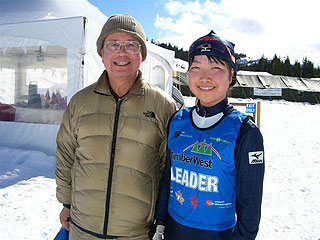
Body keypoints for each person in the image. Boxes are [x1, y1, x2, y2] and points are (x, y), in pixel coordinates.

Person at [55, 14, 177, 240]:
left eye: (131, 44)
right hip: (82, 228)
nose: (122, 52)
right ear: (101, 53)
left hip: (136, 232)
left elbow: (167, 168)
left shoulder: (163, 105)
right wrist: (66, 202)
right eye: (113, 44)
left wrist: (160, 219)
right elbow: (65, 155)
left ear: (142, 55)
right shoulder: (80, 102)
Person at [150, 31, 265, 240]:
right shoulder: (177, 120)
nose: (205, 77)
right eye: (196, 67)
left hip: (218, 234)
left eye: (216, 67)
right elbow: (168, 177)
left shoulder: (245, 132)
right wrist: (160, 222)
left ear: (232, 76)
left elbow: (250, 207)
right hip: (174, 230)